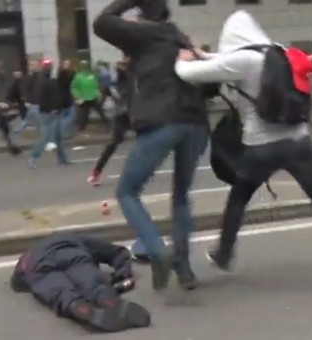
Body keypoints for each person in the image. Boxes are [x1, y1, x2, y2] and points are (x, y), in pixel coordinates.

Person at [174, 10, 312, 297]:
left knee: (238, 200)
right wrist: (205, 54)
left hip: (261, 148)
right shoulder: (280, 53)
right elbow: (229, 61)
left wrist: (184, 58)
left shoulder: (240, 62)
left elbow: (188, 74)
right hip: (299, 142)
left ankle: (223, 254)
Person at [93, 0, 210, 292]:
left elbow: (101, 22)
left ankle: (158, 251)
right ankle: (184, 271)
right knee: (180, 195)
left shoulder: (145, 33)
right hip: (195, 122)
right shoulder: (179, 36)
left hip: (162, 120)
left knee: (127, 190)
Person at [10, 233, 151, 333]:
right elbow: (118, 252)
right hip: (71, 251)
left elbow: (17, 282)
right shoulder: (76, 237)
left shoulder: (27, 256)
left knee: (59, 291)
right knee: (90, 280)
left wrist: (29, 285)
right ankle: (104, 296)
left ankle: (75, 305)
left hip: (38, 264)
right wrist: (122, 273)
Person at [88, 58, 132, 187]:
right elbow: (106, 96)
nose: (121, 70)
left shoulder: (131, 79)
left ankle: (96, 173)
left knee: (147, 141)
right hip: (123, 115)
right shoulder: (116, 83)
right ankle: (96, 172)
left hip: (130, 114)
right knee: (113, 144)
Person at [27, 60, 70, 168]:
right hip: (47, 112)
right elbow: (42, 97)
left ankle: (62, 159)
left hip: (50, 111)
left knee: (57, 136)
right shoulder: (44, 81)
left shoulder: (46, 80)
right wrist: (52, 108)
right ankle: (33, 157)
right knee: (45, 136)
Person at [71, 60, 108, 133]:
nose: (85, 67)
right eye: (83, 66)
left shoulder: (92, 75)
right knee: (84, 114)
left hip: (93, 97)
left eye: (86, 65)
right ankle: (82, 127)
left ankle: (106, 123)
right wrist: (77, 96)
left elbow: (96, 85)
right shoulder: (78, 76)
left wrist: (98, 93)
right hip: (84, 98)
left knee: (100, 111)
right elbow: (74, 87)